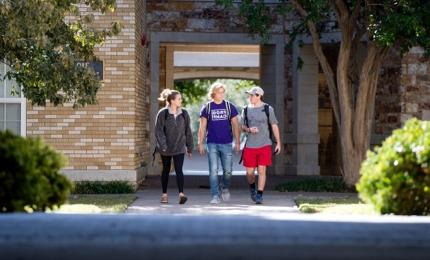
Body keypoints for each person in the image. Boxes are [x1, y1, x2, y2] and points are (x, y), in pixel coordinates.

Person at [198, 82, 240, 204]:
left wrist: (237, 142)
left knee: (228, 171)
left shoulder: (229, 107)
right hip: (212, 143)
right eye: (219, 92)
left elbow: (235, 125)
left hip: (226, 143)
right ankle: (215, 196)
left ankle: (225, 187)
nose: (221, 94)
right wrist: (200, 143)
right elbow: (202, 127)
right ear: (213, 93)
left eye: (223, 92)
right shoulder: (207, 107)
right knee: (213, 170)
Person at [241, 86, 281, 204]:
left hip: (265, 144)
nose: (249, 97)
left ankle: (259, 194)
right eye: (249, 95)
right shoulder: (246, 109)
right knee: (249, 172)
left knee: (262, 170)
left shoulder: (268, 109)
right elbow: (242, 126)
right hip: (250, 146)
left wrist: (278, 142)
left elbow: (274, 125)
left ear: (258, 96)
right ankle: (252, 187)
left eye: (252, 95)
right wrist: (248, 129)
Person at [155, 89, 193, 204]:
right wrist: (163, 145)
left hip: (179, 147)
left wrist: (189, 147)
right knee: (166, 170)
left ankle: (181, 194)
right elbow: (158, 131)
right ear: (172, 100)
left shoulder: (184, 113)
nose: (181, 100)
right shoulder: (163, 113)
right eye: (179, 99)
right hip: (166, 148)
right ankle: (164, 195)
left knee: (179, 170)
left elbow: (188, 131)